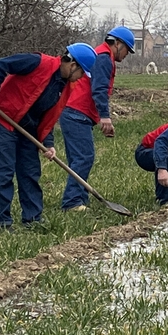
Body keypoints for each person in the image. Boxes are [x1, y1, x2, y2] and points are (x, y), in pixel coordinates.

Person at [0, 43, 96, 230]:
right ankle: (3, 222)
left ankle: (33, 219)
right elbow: (0, 65)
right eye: (81, 73)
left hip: (28, 129)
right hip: (4, 119)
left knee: (30, 172)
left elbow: (49, 116)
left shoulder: (64, 87)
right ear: (72, 64)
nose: (80, 78)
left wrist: (48, 143)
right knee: (4, 172)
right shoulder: (38, 62)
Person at [59, 26, 135, 212]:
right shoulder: (103, 58)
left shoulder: (101, 55)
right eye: (127, 49)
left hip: (72, 111)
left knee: (78, 158)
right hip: (77, 111)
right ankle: (72, 202)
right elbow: (99, 89)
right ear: (117, 44)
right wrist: (105, 117)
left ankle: (80, 199)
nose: (127, 54)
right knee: (85, 157)